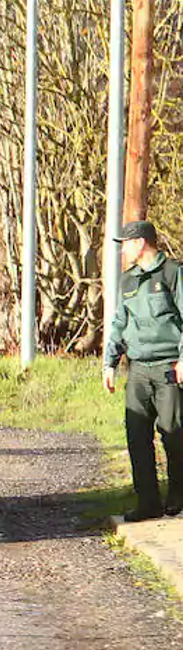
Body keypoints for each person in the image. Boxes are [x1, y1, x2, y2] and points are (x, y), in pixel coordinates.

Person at [104, 220, 183, 522]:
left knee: (173, 433)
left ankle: (177, 495)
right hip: (137, 368)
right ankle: (148, 502)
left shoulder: (173, 273)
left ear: (140, 243)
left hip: (168, 366)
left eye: (126, 243)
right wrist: (109, 363)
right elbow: (119, 323)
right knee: (137, 436)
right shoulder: (128, 281)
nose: (123, 249)